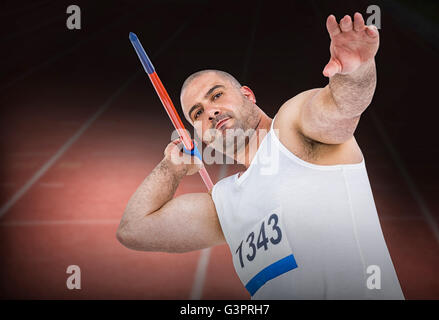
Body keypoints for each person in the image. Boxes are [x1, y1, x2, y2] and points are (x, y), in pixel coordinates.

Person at [117, 12, 404, 299]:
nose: (210, 112)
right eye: (198, 114)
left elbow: (343, 106)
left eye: (216, 95)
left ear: (247, 94)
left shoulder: (292, 128)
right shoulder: (224, 204)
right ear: (201, 136)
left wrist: (356, 71)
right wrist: (170, 168)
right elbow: (134, 229)